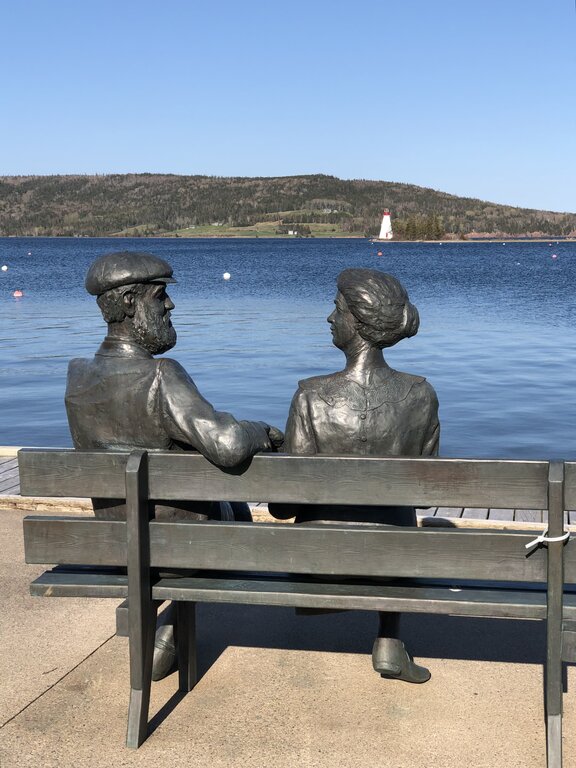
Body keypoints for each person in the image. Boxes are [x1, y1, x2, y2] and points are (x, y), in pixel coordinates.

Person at [65, 250, 283, 678]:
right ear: (129, 301)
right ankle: (171, 630)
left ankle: (161, 619)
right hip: (174, 549)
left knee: (207, 504)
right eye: (160, 295)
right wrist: (264, 431)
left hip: (114, 546)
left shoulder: (77, 375)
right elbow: (226, 444)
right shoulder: (161, 374)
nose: (171, 306)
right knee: (231, 507)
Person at [269, 267, 439, 683]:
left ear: (358, 323)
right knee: (399, 524)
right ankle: (389, 641)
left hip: (320, 562)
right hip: (390, 562)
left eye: (336, 309)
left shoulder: (311, 396)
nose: (330, 318)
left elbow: (283, 506)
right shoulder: (420, 394)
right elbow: (424, 494)